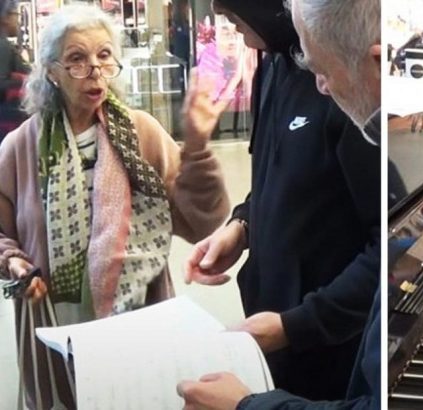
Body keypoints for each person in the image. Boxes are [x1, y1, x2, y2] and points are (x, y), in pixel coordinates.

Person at [0, 5, 230, 408]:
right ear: (51, 71)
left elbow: (199, 221)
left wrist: (196, 148)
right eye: (77, 58)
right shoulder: (21, 147)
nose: (94, 68)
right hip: (54, 321)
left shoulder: (141, 132)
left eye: (104, 55)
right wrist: (15, 261)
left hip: (136, 320)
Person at [177, 0, 382, 407]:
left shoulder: (353, 82)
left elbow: (387, 248)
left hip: (331, 339)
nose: (226, 22)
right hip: (272, 322)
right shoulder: (272, 61)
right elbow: (278, 173)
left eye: (233, 14)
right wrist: (242, 226)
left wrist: (298, 325)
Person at [0, 0, 30, 143]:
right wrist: (28, 79)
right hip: (8, 126)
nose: (18, 20)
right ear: (5, 17)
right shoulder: (3, 46)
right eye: (16, 15)